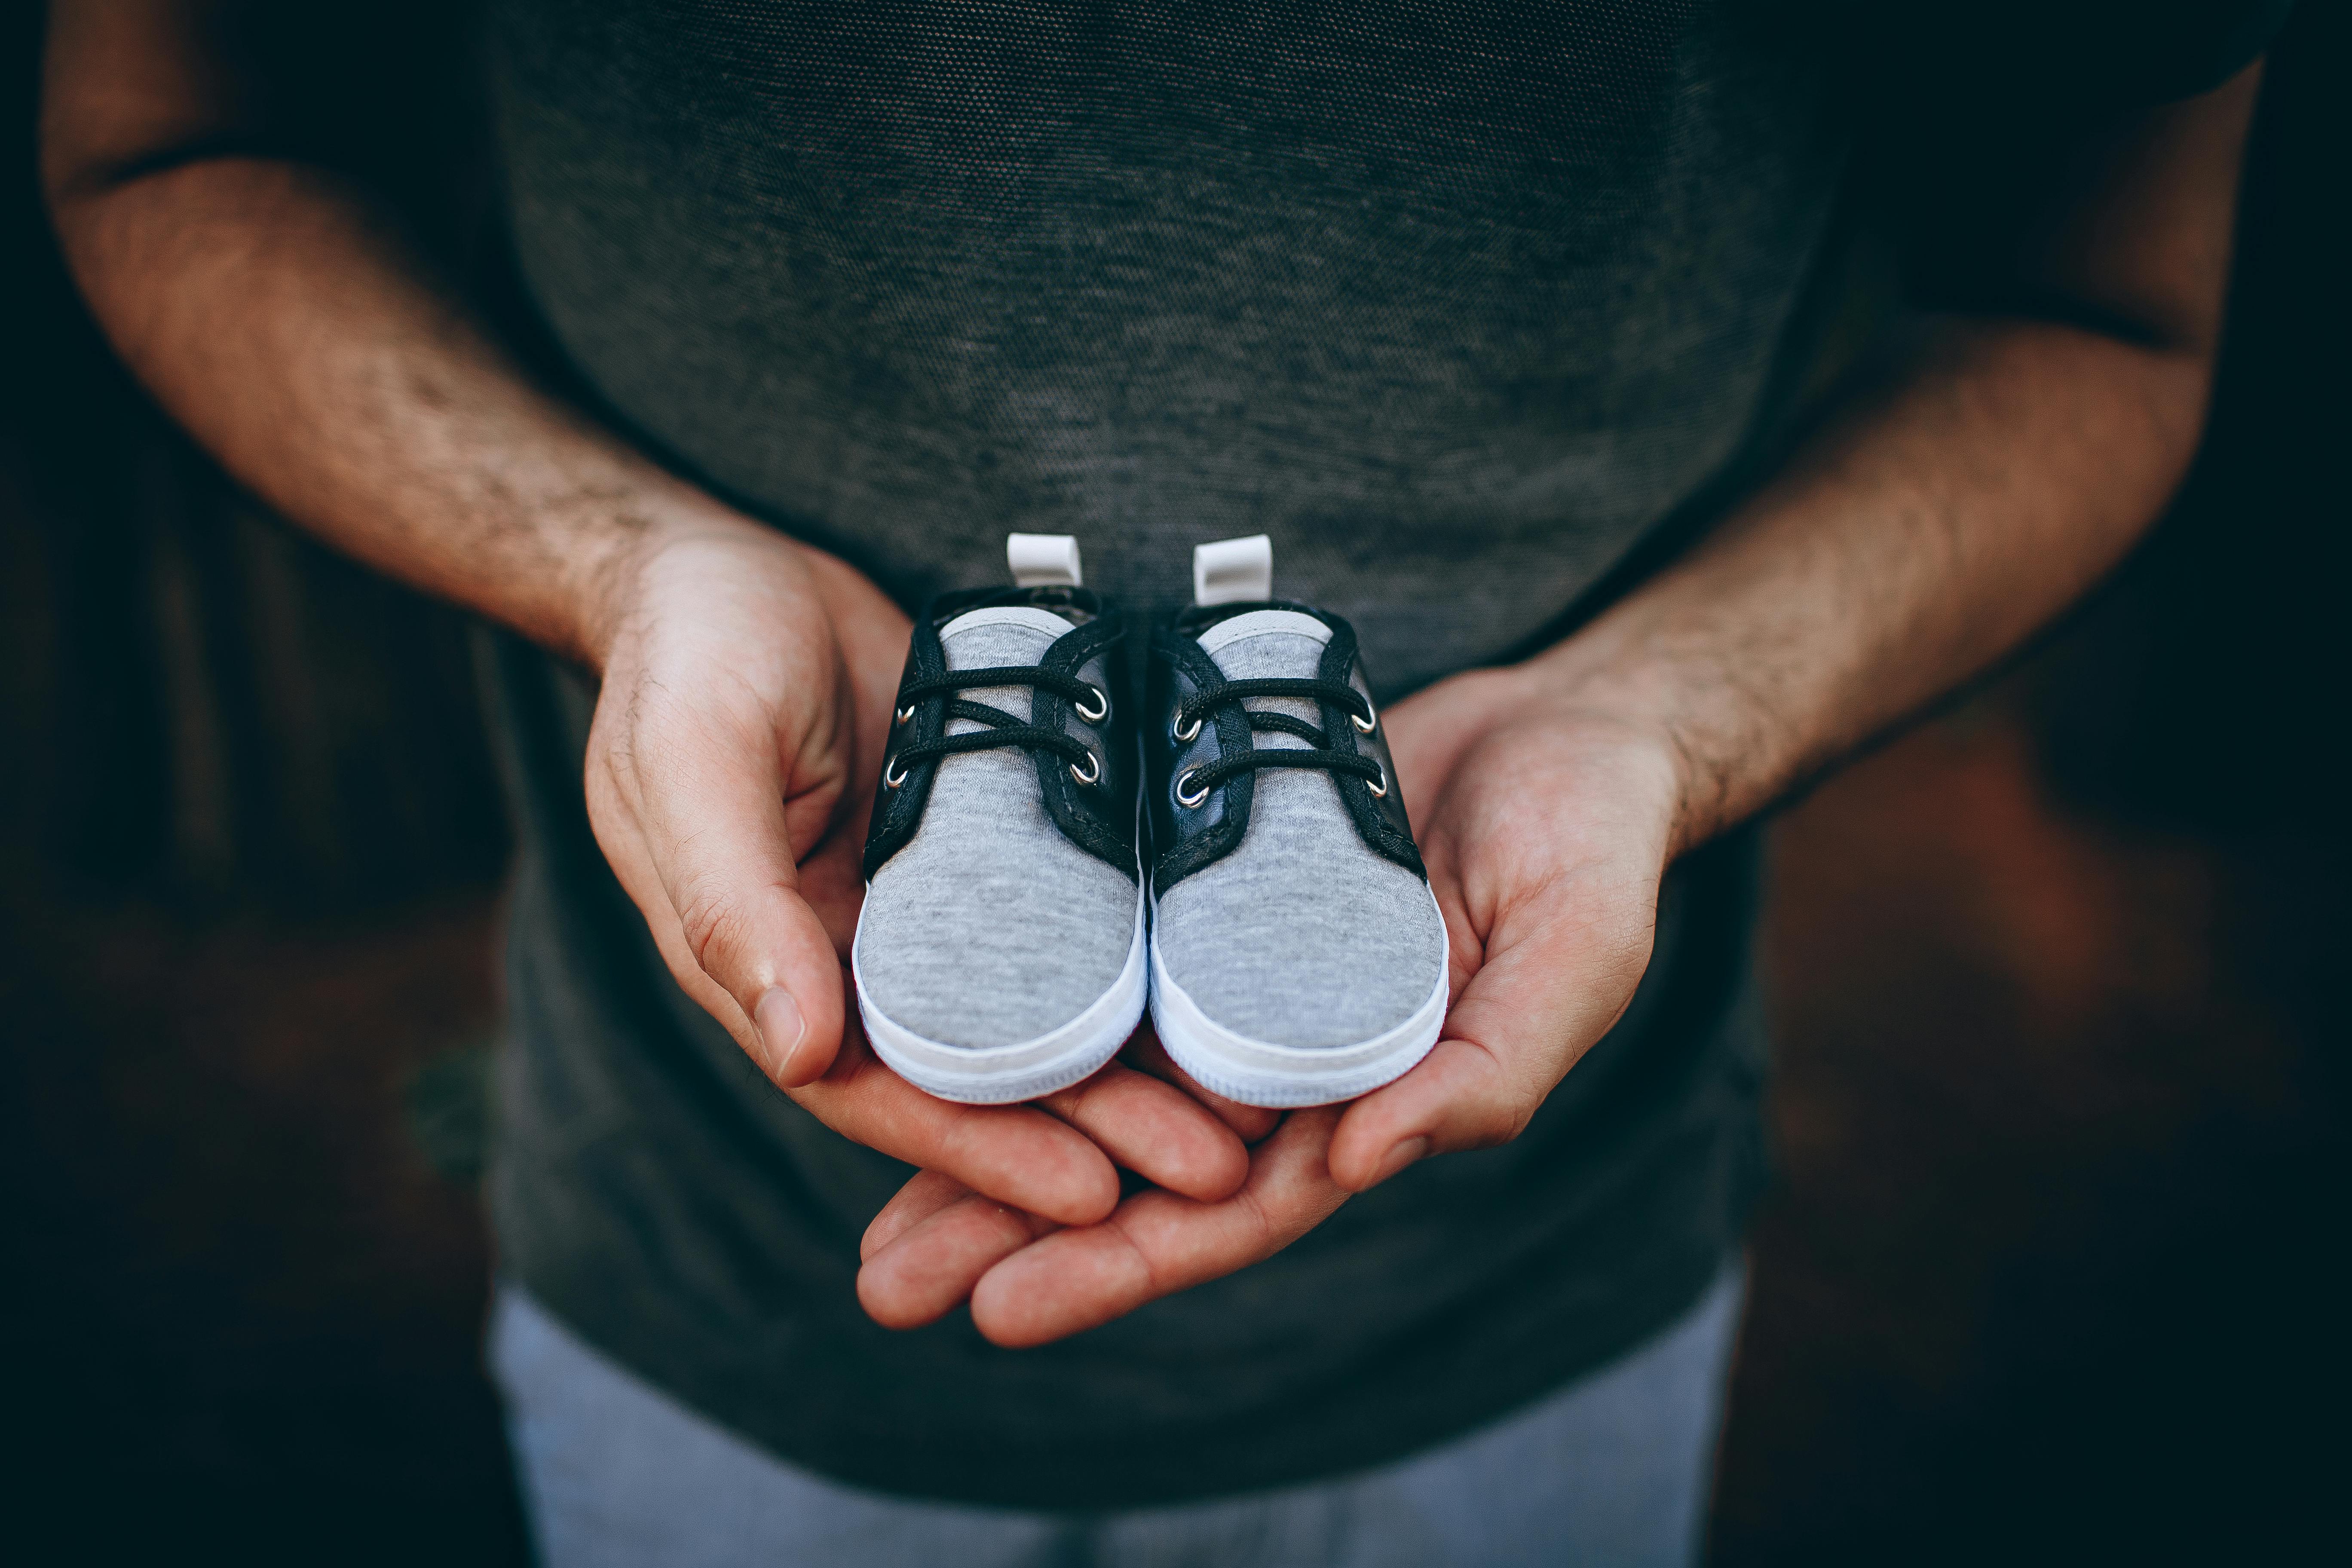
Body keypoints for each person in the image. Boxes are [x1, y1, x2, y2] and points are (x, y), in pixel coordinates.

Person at [40, 2, 2286, 1562]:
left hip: (1543, 1295)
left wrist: (1661, 718)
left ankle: (1250, 738)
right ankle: (1019, 724)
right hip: (703, 1266)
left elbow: (2104, 308)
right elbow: (170, 132)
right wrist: (633, 571)